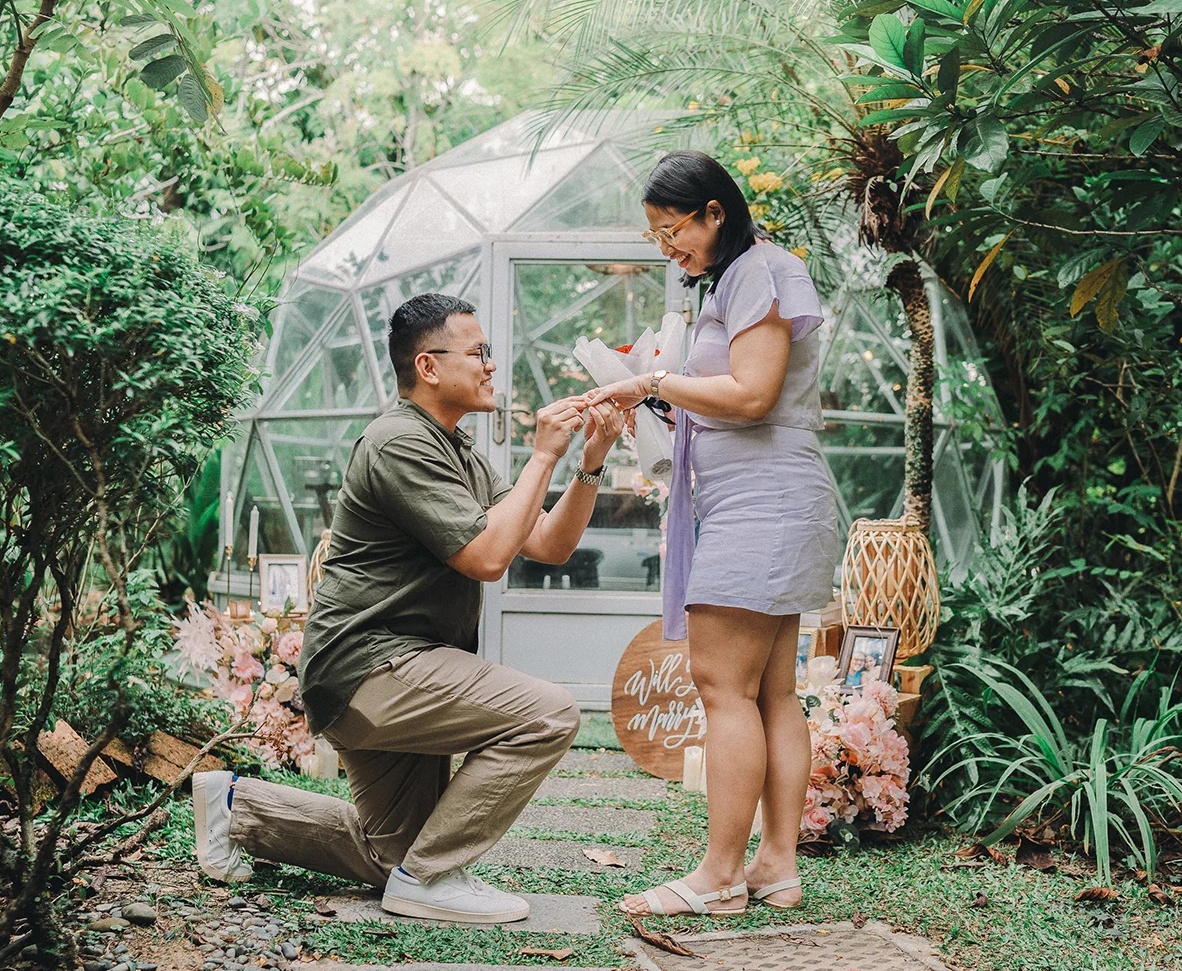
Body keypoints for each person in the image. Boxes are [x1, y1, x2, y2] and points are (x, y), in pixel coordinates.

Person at [192, 293, 624, 925]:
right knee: (547, 715)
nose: (490, 366)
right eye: (478, 353)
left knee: (384, 854)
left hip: (401, 666)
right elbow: (486, 558)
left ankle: (237, 807)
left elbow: (548, 545)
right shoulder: (398, 442)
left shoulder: (459, 451)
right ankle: (429, 880)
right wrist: (542, 455)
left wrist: (588, 463)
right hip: (371, 666)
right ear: (428, 366)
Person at [588, 151, 837, 917]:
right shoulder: (740, 277)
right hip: (770, 498)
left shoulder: (757, 268)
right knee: (771, 692)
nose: (668, 248)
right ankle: (776, 867)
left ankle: (720, 876)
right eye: (657, 235)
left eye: (674, 230)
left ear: (713, 212)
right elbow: (734, 391)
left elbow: (754, 393)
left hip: (761, 503)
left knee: (722, 686)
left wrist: (652, 382)